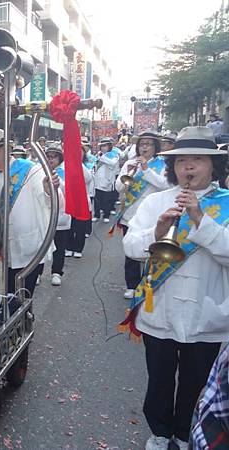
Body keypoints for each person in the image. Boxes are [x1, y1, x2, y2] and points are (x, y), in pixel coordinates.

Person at [121, 126, 229, 450]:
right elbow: (129, 245)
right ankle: (160, 431)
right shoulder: (156, 202)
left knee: (196, 380)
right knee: (160, 377)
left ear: (214, 166)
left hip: (207, 314)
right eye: (182, 160)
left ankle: (185, 433)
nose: (189, 167)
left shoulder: (225, 204)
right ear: (173, 166)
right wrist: (157, 232)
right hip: (161, 309)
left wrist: (200, 219)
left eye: (198, 159)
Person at [0, 129, 61, 296]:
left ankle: (24, 321)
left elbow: (53, 202)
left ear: (3, 149)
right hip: (10, 249)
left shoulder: (31, 170)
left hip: (30, 248)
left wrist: (48, 190)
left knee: (22, 297)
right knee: (11, 295)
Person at [114, 131, 169, 300]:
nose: (144, 147)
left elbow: (165, 185)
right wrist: (131, 172)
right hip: (130, 214)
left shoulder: (164, 164)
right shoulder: (130, 162)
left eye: (148, 144)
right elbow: (118, 187)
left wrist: (145, 170)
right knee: (130, 251)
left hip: (153, 216)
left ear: (155, 147)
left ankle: (150, 283)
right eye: (142, 144)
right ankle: (131, 284)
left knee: (152, 252)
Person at [44, 142, 70, 286]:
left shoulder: (65, 171)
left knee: (59, 246)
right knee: (41, 247)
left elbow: (68, 191)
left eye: (54, 157)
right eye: (48, 156)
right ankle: (38, 273)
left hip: (61, 215)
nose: (51, 159)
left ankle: (56, 272)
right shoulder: (41, 171)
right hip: (44, 215)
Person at [67, 141, 95, 256]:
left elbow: (88, 179)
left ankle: (78, 249)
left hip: (82, 200)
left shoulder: (87, 165)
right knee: (69, 225)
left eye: (81, 152)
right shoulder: (66, 165)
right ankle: (69, 247)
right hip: (69, 200)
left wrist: (78, 164)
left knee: (80, 226)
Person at [93, 137, 120, 223]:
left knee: (107, 199)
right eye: (102, 146)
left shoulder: (113, 155)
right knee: (97, 199)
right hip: (98, 180)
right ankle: (96, 215)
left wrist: (102, 158)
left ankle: (106, 215)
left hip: (107, 180)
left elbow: (113, 163)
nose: (103, 148)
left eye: (105, 146)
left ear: (109, 147)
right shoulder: (99, 154)